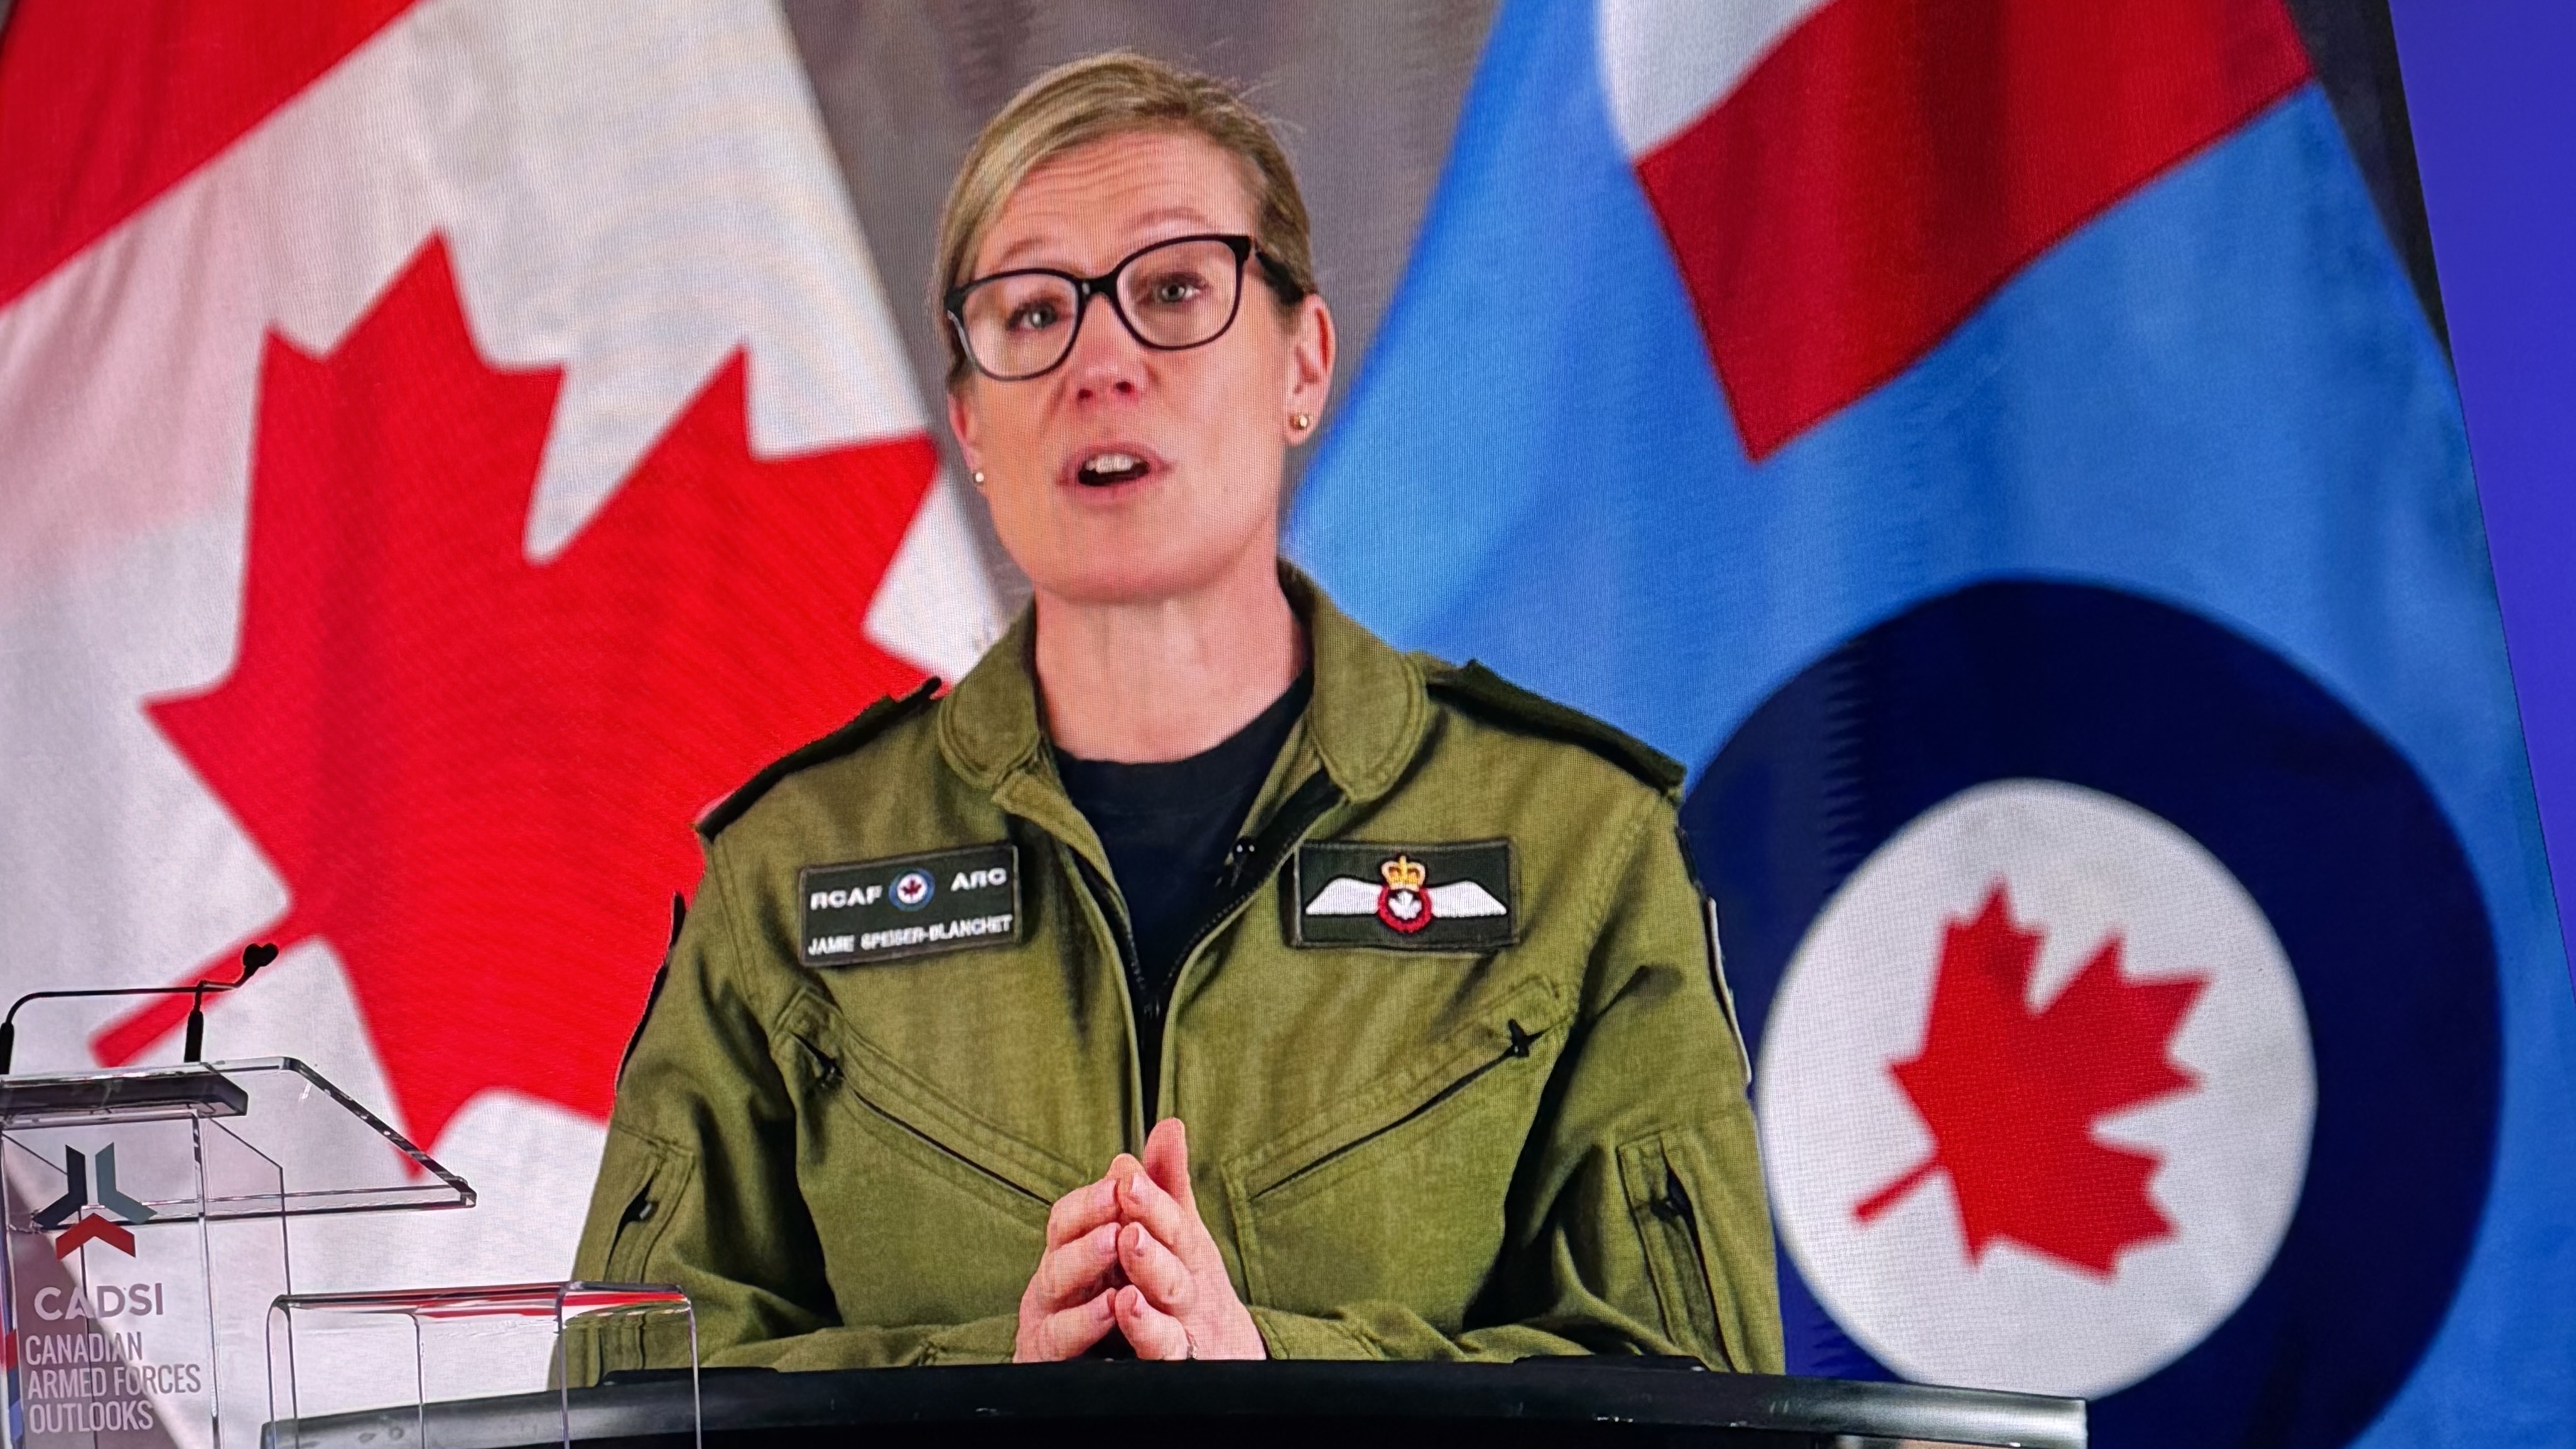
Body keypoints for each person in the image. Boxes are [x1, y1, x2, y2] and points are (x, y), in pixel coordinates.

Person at [570, 50, 1780, 1371]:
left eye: (1172, 291)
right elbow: (626, 1381)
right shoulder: (791, 866)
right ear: (970, 422)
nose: (1100, 360)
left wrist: (1274, 1370)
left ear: (1301, 366)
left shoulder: (1572, 842)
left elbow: (1694, 1382)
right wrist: (988, 1383)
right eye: (1032, 315)